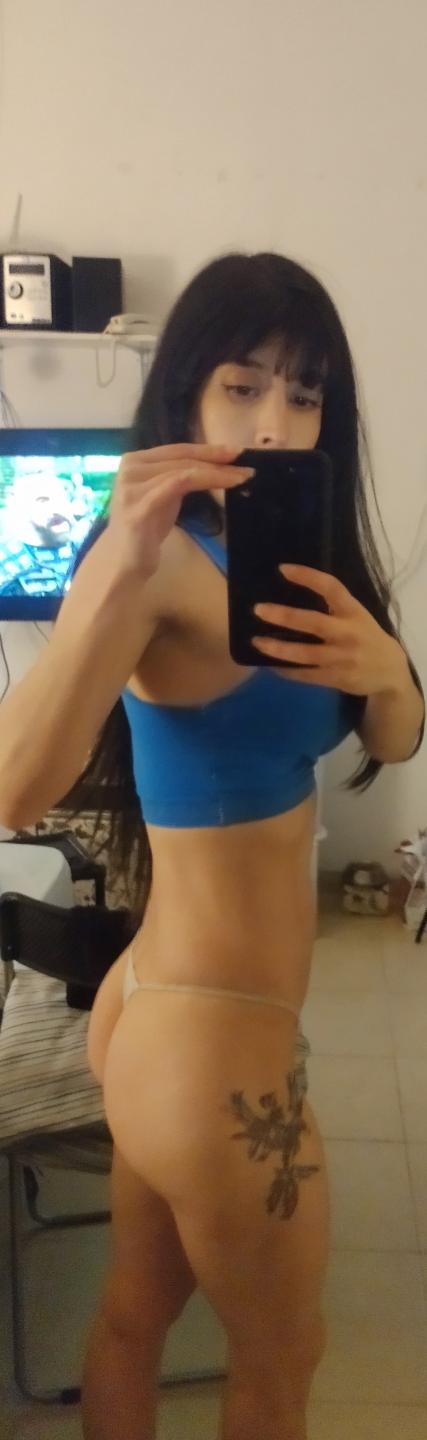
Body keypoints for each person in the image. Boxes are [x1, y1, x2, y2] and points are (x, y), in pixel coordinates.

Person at [0, 252, 424, 1440]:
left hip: (164, 1005)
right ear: (186, 391)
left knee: (135, 1314)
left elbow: (392, 735)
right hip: (210, 1045)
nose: (274, 423)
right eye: (242, 386)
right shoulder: (162, 566)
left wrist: (389, 675)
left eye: (304, 393)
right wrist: (110, 567)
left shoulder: (301, 555)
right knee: (284, 1357)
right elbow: (13, 790)